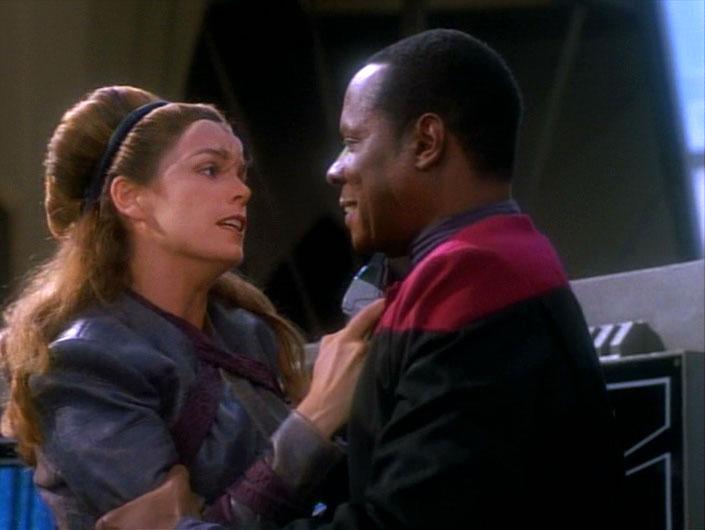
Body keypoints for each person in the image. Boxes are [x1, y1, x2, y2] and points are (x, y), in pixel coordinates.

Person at [91, 28, 626, 530]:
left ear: (426, 142)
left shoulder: (468, 278)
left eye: (353, 141)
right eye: (209, 170)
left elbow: (400, 518)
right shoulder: (498, 258)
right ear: (127, 199)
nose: (335, 169)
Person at [0, 85, 384, 529]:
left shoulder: (245, 332)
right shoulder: (85, 362)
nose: (242, 191)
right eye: (210, 170)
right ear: (130, 197)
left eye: (240, 172)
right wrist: (314, 419)